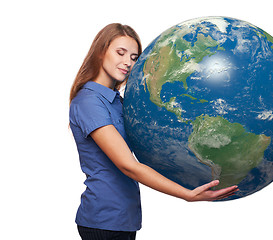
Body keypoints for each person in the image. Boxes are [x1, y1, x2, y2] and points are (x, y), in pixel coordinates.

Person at [69, 23, 238, 240]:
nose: (128, 63)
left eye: (133, 57)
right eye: (120, 53)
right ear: (101, 51)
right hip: (103, 221)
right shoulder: (89, 102)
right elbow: (127, 165)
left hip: (124, 220)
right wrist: (187, 194)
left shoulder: (116, 102)